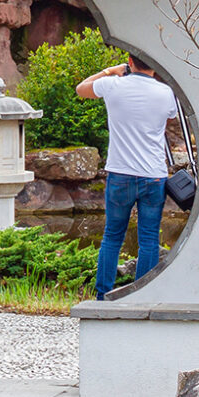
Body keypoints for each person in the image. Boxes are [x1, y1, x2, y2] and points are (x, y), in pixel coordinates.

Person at [77, 55, 179, 299]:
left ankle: (103, 295)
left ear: (130, 62)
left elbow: (81, 89)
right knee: (149, 239)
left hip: (120, 173)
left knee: (112, 236)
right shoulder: (166, 93)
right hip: (154, 176)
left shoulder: (113, 85)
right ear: (155, 65)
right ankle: (142, 296)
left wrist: (109, 71)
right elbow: (172, 116)